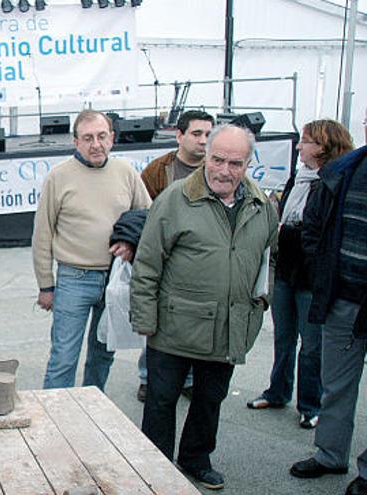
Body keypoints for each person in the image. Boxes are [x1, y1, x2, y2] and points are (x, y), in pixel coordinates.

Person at [131, 124, 279, 490]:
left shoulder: (262, 205)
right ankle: (157, 467)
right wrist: (145, 318)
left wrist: (263, 297)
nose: (224, 171)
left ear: (248, 164)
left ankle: (196, 459)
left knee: (210, 399)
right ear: (205, 157)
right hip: (173, 328)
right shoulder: (174, 200)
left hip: (229, 325)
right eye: (217, 160)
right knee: (161, 401)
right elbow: (148, 262)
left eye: (235, 163)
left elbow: (270, 257)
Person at [33, 110, 151, 391]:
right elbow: (43, 233)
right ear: (76, 142)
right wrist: (45, 286)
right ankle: (56, 415)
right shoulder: (58, 177)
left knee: (103, 353)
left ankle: (93, 407)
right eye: (87, 138)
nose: (95, 144)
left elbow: (148, 214)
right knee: (63, 356)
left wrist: (132, 242)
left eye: (101, 136)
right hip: (74, 278)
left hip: (115, 277)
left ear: (112, 138)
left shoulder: (126, 172)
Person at [247, 119, 353, 429]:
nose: (298, 147)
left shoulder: (335, 181)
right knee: (283, 337)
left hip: (313, 275)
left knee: (312, 345)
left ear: (322, 146)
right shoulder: (298, 178)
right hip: (286, 268)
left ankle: (311, 403)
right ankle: (277, 391)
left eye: (305, 141)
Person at [290, 111, 367, 495]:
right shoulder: (344, 171)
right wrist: (322, 274)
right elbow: (314, 230)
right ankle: (329, 455)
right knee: (336, 385)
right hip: (342, 300)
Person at [135, 110, 215, 401]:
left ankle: (189, 379)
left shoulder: (216, 171)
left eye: (208, 134)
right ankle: (147, 377)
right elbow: (142, 216)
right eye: (196, 134)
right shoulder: (159, 170)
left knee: (194, 325)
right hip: (164, 263)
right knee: (154, 323)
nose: (203, 140)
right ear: (179, 136)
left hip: (201, 265)